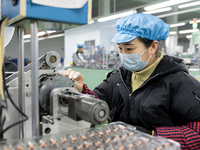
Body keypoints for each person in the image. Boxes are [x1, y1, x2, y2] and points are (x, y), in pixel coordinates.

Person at [63, 13, 200, 149]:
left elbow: (196, 133)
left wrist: (152, 135)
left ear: (153, 47)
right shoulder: (119, 78)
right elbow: (98, 102)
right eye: (120, 49)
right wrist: (81, 90)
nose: (124, 54)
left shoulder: (180, 84)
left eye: (129, 49)